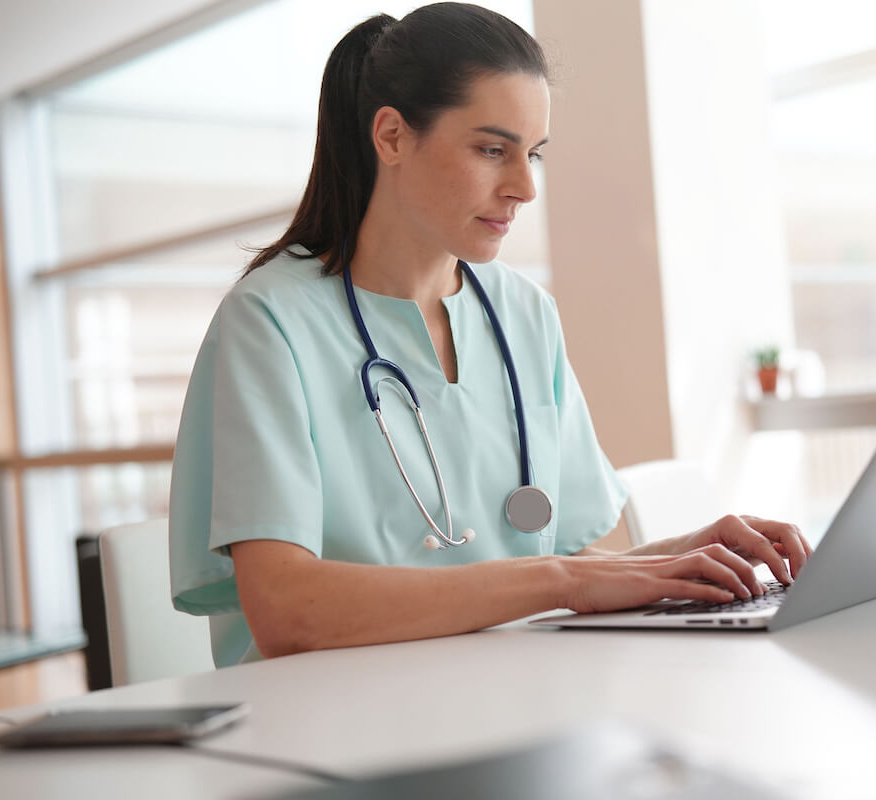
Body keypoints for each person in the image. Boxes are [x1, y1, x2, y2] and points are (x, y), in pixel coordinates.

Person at [169, 2, 810, 667]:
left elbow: (559, 564)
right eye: (492, 149)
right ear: (390, 136)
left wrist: (683, 555)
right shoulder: (272, 319)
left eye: (532, 154)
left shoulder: (524, 313)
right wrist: (564, 580)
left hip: (506, 688)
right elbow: (286, 610)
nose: (525, 187)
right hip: (327, 720)